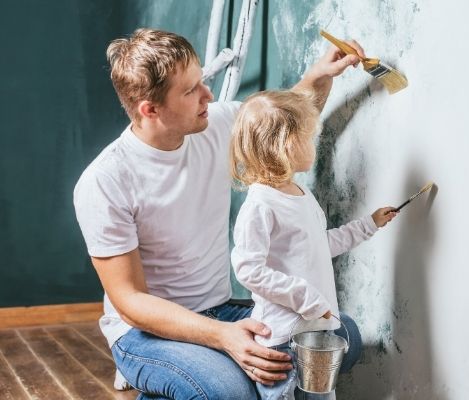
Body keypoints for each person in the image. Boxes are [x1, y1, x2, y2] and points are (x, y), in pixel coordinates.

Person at [73, 28, 366, 399]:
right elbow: (130, 302)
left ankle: (202, 378)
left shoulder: (215, 124)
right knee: (231, 393)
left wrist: (320, 75)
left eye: (202, 82)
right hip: (145, 334)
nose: (207, 95)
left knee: (341, 340)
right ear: (150, 109)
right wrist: (223, 338)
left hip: (221, 309)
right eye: (190, 90)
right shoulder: (104, 181)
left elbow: (282, 121)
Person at [229, 90, 398, 399]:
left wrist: (368, 225)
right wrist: (304, 297)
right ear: (287, 146)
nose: (313, 145)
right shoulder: (260, 205)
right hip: (282, 338)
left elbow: (317, 246)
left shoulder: (300, 194)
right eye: (308, 138)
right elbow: (248, 269)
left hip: (316, 330)